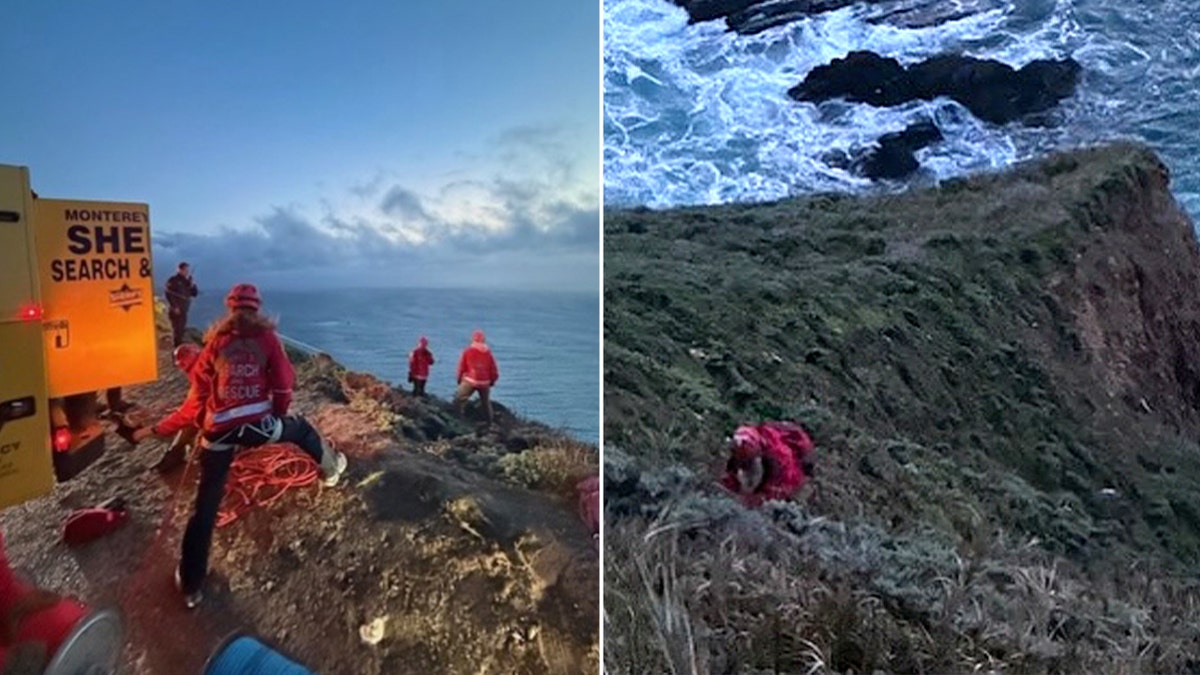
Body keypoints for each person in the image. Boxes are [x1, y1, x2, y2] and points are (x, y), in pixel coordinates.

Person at [133, 283, 347, 609]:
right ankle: (331, 471)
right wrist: (276, 417)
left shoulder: (215, 343)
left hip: (216, 434)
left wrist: (153, 431)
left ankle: (190, 586)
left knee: (205, 505)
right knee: (301, 429)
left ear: (230, 308)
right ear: (257, 308)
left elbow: (194, 406)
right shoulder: (268, 339)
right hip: (257, 426)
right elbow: (285, 384)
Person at [123, 344, 204, 474]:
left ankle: (186, 453)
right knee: (192, 421)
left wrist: (150, 430)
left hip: (233, 423)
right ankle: (176, 453)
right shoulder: (213, 365)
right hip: (241, 413)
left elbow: (187, 414)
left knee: (190, 423)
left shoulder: (202, 379)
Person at [720, 421, 815, 508]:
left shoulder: (781, 458)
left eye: (748, 463)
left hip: (792, 470)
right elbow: (731, 476)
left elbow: (785, 488)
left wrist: (758, 498)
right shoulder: (741, 445)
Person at [454, 330, 499, 424]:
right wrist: (492, 381)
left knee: (459, 399)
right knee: (486, 403)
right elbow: (493, 368)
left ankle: (459, 419)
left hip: (471, 379)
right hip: (485, 382)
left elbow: (462, 367)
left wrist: (459, 379)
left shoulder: (468, 351)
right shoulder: (488, 353)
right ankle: (490, 423)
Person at [165, 262, 199, 348]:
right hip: (176, 311)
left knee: (181, 332)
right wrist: (175, 306)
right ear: (179, 270)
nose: (186, 272)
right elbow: (169, 294)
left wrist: (192, 285)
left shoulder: (187, 282)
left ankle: (178, 351)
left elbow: (194, 294)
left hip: (184, 311)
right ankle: (175, 352)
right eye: (184, 270)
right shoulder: (173, 280)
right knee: (177, 332)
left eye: (187, 270)